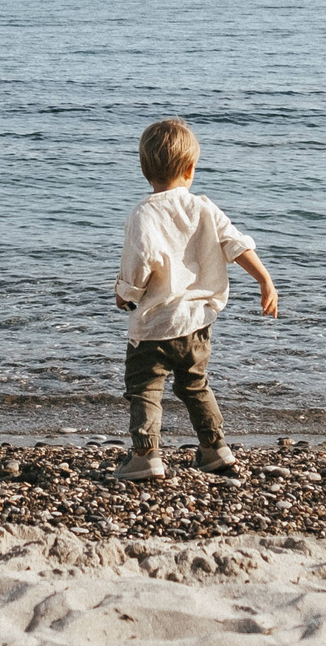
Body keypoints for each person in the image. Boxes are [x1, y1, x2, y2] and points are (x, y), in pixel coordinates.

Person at [112, 117, 279, 481]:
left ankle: (146, 456)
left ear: (144, 169)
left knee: (144, 389)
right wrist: (265, 280)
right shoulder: (204, 206)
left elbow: (140, 264)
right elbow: (236, 245)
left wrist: (125, 294)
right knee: (195, 385)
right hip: (197, 323)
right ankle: (214, 448)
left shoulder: (144, 213)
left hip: (155, 325)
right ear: (190, 170)